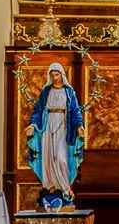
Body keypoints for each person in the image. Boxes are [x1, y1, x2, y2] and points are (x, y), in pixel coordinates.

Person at [24, 62, 84, 210]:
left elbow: (75, 111)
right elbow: (38, 110)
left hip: (62, 127)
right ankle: (50, 186)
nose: (55, 77)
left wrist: (79, 126)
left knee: (61, 159)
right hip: (47, 126)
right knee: (48, 158)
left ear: (62, 75)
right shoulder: (46, 92)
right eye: (52, 75)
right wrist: (32, 125)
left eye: (57, 74)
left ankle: (64, 188)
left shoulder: (69, 92)